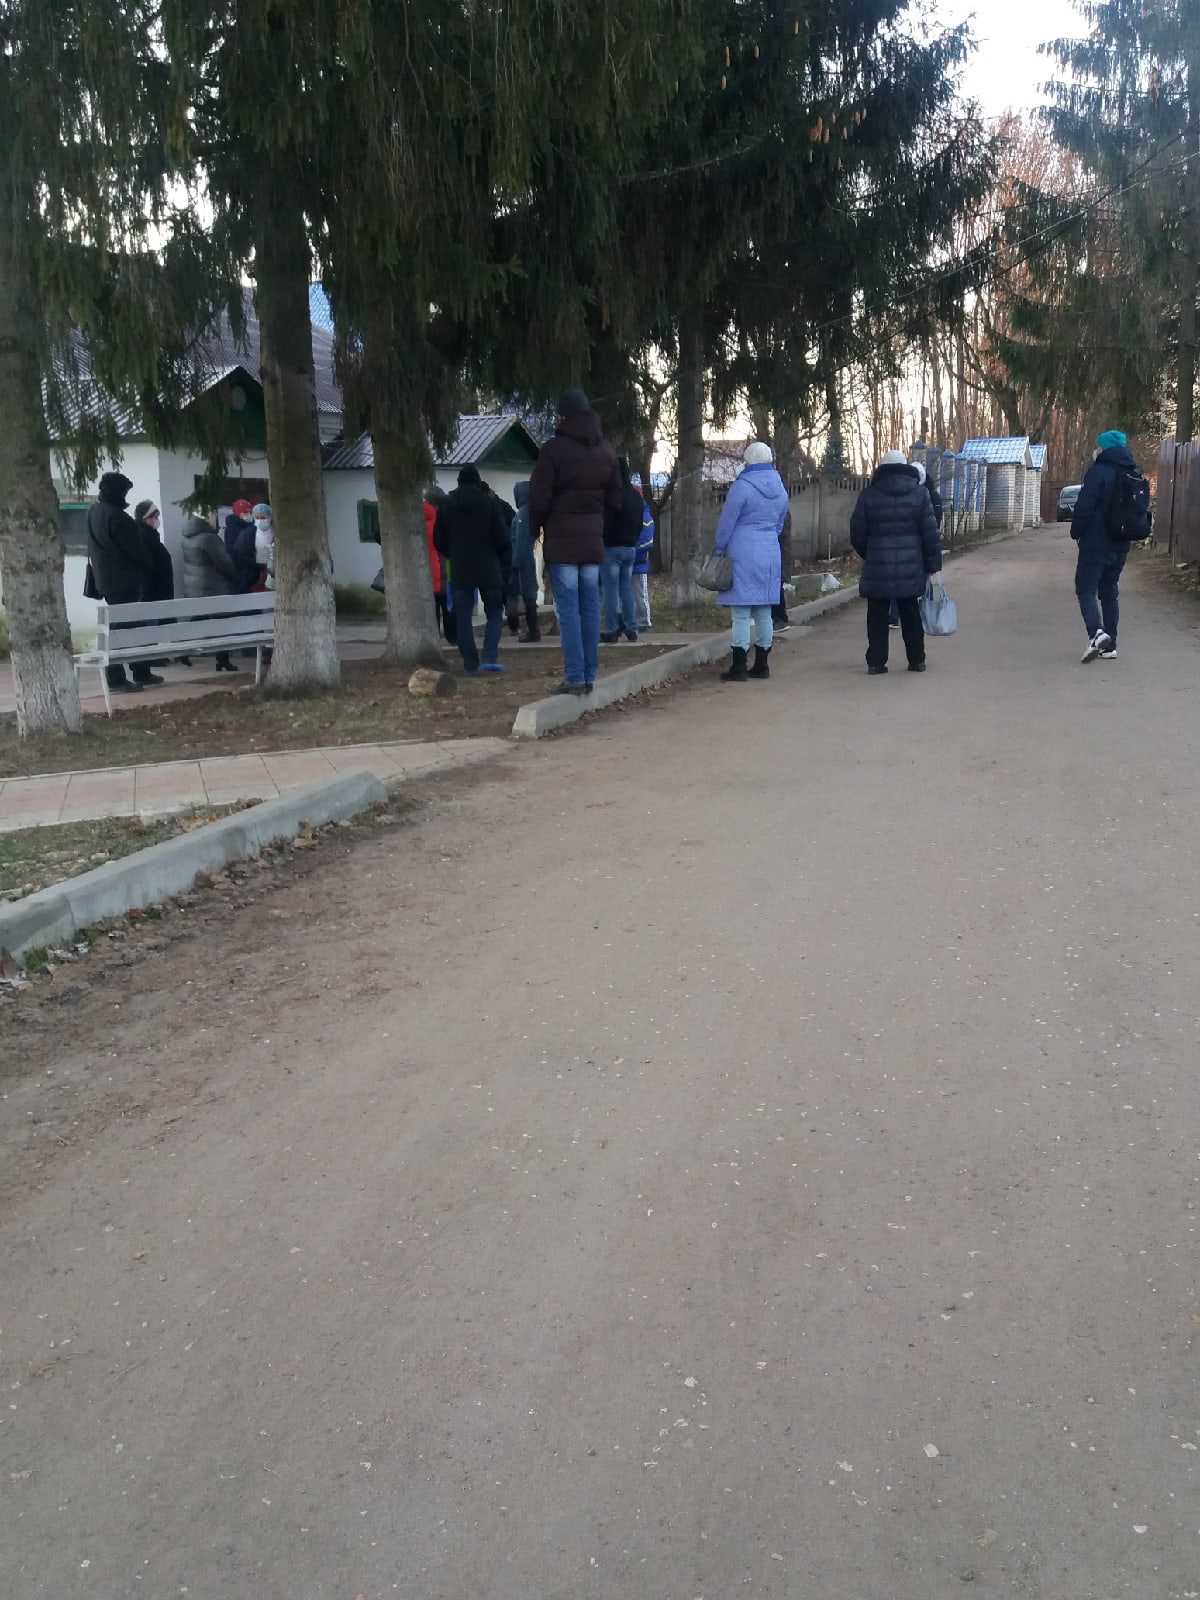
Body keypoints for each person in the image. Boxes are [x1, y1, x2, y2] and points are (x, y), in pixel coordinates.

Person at [527, 388, 622, 696]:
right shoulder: (606, 451)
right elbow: (615, 499)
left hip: (562, 545)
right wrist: (600, 529)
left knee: (568, 610)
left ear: (562, 417)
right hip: (592, 543)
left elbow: (538, 497)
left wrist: (534, 529)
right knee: (591, 608)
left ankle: (574, 676)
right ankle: (589, 674)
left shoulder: (553, 450)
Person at [850, 449, 942, 675]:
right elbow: (930, 533)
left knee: (877, 615)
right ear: (905, 467)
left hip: (878, 565)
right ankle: (917, 660)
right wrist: (932, 564)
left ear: (881, 468)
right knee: (910, 613)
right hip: (911, 566)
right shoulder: (920, 494)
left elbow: (857, 532)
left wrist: (870, 553)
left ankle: (876, 662)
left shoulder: (869, 495)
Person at [714, 441, 790, 682]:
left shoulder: (742, 487)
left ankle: (739, 666)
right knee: (764, 612)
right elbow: (779, 524)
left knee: (740, 613)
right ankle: (762, 664)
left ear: (749, 461)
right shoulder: (780, 488)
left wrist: (719, 547)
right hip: (770, 551)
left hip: (743, 551)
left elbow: (727, 522)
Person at [1071, 428, 1145, 662]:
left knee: (1085, 589)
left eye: (1099, 446)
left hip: (1095, 543)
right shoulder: (1133, 473)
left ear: (1105, 448)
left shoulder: (1097, 473)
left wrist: (1076, 532)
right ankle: (1110, 646)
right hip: (1121, 544)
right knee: (1109, 592)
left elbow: (1084, 507)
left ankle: (1097, 633)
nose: (1096, 450)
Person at [85, 471, 162, 692]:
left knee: (128, 626)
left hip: (105, 579)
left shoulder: (93, 512)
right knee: (123, 629)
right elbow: (135, 550)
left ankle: (140, 670)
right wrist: (149, 563)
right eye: (125, 491)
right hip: (125, 581)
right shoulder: (119, 518)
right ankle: (119, 677)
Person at [433, 465, 511, 675]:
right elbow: (502, 538)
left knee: (463, 618)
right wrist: (497, 555)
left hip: (460, 568)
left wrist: (453, 553)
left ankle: (470, 664)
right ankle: (488, 658)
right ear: (478, 482)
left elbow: (438, 540)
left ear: (459, 482)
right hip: (488, 568)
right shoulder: (489, 503)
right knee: (494, 614)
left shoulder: (446, 505)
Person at [181, 507, 239, 671]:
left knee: (198, 618)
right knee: (222, 623)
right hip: (213, 586)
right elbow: (225, 563)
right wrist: (235, 576)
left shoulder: (187, 535)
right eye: (213, 515)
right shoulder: (209, 538)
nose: (215, 518)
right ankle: (222, 659)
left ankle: (184, 649)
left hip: (195, 586)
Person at [135, 499, 190, 666]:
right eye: (154, 517)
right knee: (152, 621)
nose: (156, 520)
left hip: (160, 587)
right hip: (152, 588)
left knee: (161, 620)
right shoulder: (143, 535)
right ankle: (152, 656)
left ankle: (164, 652)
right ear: (146, 518)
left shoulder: (150, 535)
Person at [891, 464, 942, 627]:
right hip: (919, 547)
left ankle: (897, 615)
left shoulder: (916, 495)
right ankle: (924, 614)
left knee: (901, 581)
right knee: (922, 581)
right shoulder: (930, 495)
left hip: (909, 547)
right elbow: (934, 528)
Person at [601, 457, 645, 642]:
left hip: (612, 546)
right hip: (630, 547)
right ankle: (631, 628)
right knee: (626, 588)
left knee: (610, 589)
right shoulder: (636, 496)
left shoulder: (612, 496)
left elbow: (606, 521)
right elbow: (640, 523)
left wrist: (603, 537)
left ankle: (612, 629)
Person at [508, 480, 541, 642]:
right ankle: (533, 630)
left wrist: (515, 563)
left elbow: (520, 541)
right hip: (525, 558)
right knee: (529, 594)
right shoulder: (528, 512)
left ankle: (533, 631)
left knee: (528, 594)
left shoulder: (523, 513)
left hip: (523, 559)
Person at [423, 486, 455, 644]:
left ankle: (433, 640)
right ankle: (453, 638)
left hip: (426, 575)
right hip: (445, 571)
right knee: (449, 607)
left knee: (431, 610)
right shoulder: (444, 520)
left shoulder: (417, 522)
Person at [223, 498, 258, 592]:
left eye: (250, 512)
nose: (249, 514)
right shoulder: (232, 528)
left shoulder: (252, 527)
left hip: (250, 572)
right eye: (245, 512)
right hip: (240, 573)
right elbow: (234, 551)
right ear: (238, 513)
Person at [632, 487, 655, 632]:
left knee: (640, 595)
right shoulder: (637, 513)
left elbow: (647, 541)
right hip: (632, 562)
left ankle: (644, 622)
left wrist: (632, 552)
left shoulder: (645, 516)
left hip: (638, 564)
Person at [772, 508, 795, 633]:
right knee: (775, 585)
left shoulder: (781, 510)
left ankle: (779, 618)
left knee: (776, 586)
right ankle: (778, 617)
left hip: (780, 555)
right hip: (778, 554)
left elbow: (782, 533)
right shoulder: (780, 508)